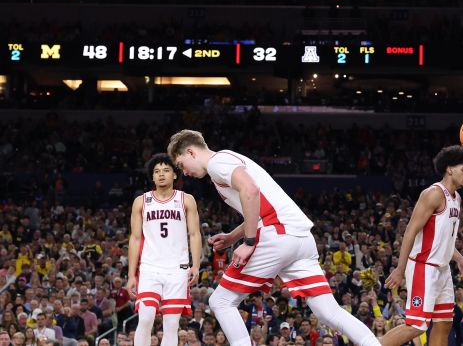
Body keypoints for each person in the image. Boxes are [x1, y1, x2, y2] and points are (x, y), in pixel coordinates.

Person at [166, 130, 381, 346]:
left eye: (181, 165)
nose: (184, 172)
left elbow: (251, 190)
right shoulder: (229, 159)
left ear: (191, 152)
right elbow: (257, 205)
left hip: (276, 236)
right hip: (300, 239)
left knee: (221, 301)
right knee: (328, 311)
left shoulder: (216, 162)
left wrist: (249, 242)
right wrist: (232, 237)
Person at [382, 146, 463, 346]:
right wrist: (400, 269)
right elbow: (410, 231)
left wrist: (460, 259)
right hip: (423, 267)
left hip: (443, 270)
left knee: (444, 324)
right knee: (416, 326)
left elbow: (445, 240)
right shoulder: (433, 193)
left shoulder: (457, 198)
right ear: (449, 169)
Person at [127, 154, 203, 346]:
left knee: (171, 324)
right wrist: (131, 275)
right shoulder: (141, 201)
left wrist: (195, 265)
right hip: (150, 267)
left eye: (166, 170)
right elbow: (135, 239)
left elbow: (195, 234)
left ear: (175, 175)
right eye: (157, 171)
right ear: (152, 177)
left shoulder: (186, 200)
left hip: (177, 268)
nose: (161, 174)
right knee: (145, 318)